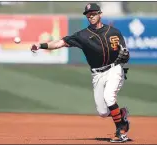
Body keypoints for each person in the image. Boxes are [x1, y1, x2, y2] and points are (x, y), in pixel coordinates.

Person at [31, 3, 130, 143]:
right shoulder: (82, 35)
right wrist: (41, 46)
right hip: (97, 74)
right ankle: (122, 114)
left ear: (100, 14)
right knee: (102, 112)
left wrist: (125, 56)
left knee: (109, 97)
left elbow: (125, 53)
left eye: (94, 13)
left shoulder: (114, 32)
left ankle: (121, 131)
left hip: (114, 69)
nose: (91, 16)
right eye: (88, 14)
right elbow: (60, 43)